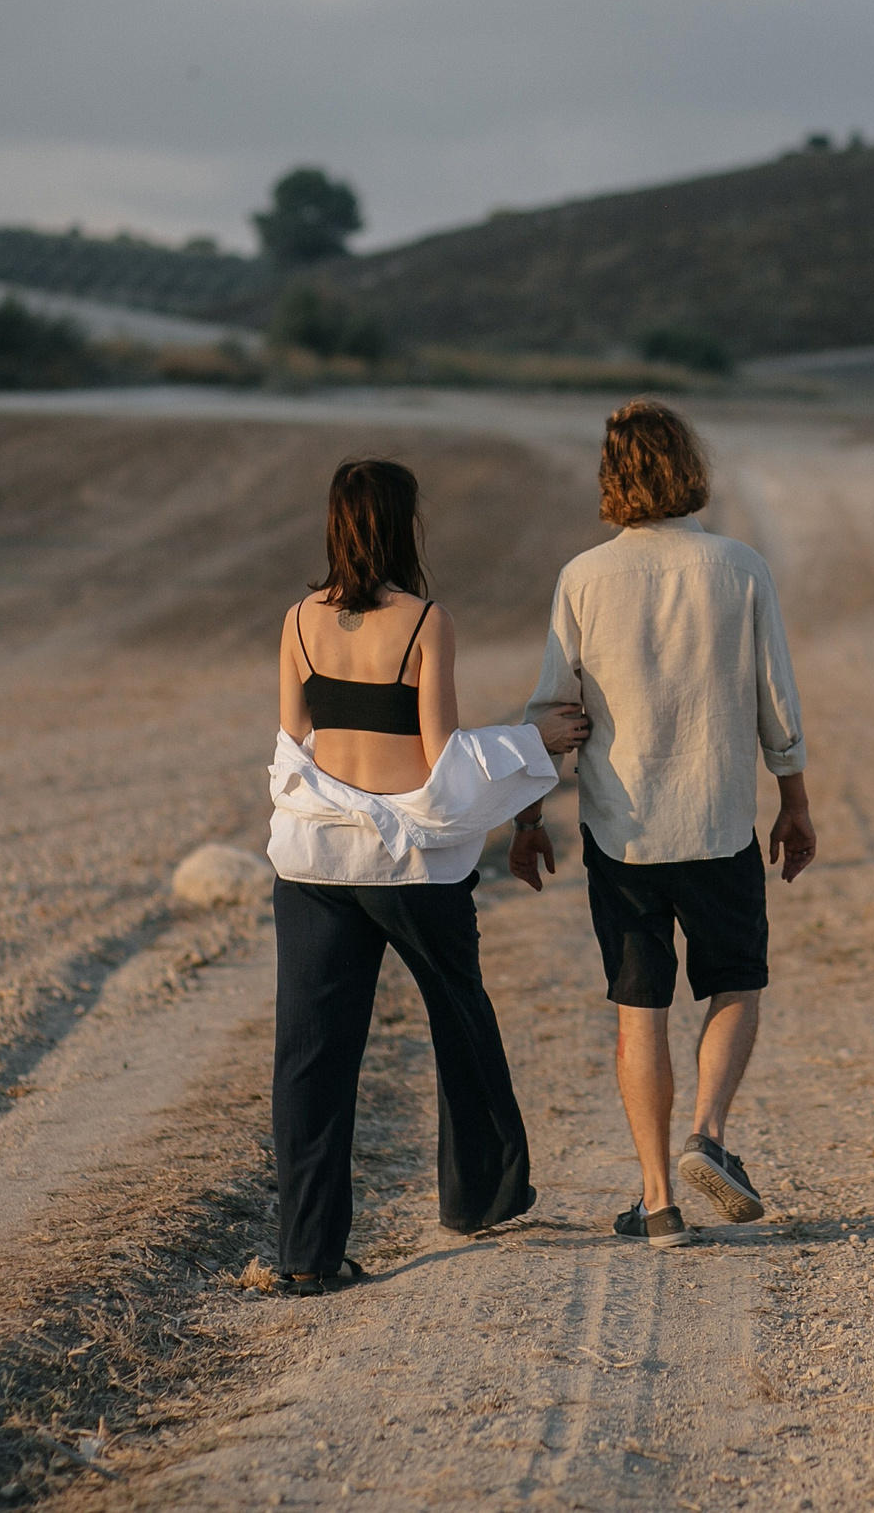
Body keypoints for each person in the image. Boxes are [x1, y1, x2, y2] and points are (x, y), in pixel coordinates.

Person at [266, 458, 590, 1295]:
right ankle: (480, 1195)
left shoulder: (298, 621)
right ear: (402, 525)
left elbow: (296, 743)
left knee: (311, 1056)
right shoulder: (424, 624)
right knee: (461, 1017)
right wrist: (533, 744)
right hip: (408, 865)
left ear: (337, 523)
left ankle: (306, 1255)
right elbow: (440, 762)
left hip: (317, 864)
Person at [512, 401, 815, 1247]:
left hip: (622, 831)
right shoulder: (741, 567)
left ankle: (657, 1204)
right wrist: (794, 802)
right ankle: (708, 1137)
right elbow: (775, 698)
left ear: (612, 477)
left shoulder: (582, 577)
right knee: (736, 982)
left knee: (637, 1009)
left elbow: (551, 710)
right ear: (689, 467)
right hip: (718, 820)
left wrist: (529, 819)